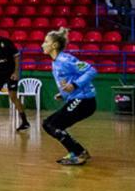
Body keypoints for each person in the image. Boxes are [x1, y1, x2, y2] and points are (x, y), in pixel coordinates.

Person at [41, 27, 98, 166]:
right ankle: (76, 151)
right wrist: (63, 93)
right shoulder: (55, 62)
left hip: (84, 100)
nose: (42, 44)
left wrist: (75, 85)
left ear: (54, 45)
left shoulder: (65, 60)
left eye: (45, 41)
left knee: (54, 125)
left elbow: (92, 70)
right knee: (48, 124)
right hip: (77, 99)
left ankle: (79, 153)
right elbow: (68, 82)